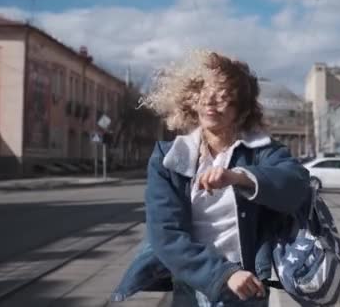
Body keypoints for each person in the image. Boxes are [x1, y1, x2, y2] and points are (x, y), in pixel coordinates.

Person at [115, 51, 310, 306]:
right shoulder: (170, 157)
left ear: (241, 110)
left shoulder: (261, 151)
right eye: (204, 91)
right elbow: (166, 233)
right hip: (193, 282)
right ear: (192, 100)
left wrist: (240, 177)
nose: (210, 100)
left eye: (224, 94)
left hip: (247, 284)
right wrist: (223, 274)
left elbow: (296, 183)